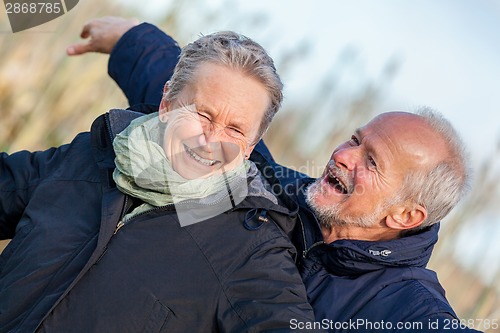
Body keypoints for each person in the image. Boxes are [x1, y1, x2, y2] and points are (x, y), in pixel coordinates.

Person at [76, 17, 486, 332]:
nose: (343, 155)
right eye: (354, 139)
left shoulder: (408, 308)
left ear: (406, 216)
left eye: (372, 162)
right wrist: (132, 37)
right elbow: (204, 111)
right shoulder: (277, 195)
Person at [0, 23, 319, 332]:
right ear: (166, 103)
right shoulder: (93, 154)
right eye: (202, 114)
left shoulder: (251, 250)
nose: (209, 141)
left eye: (234, 130)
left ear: (250, 147)